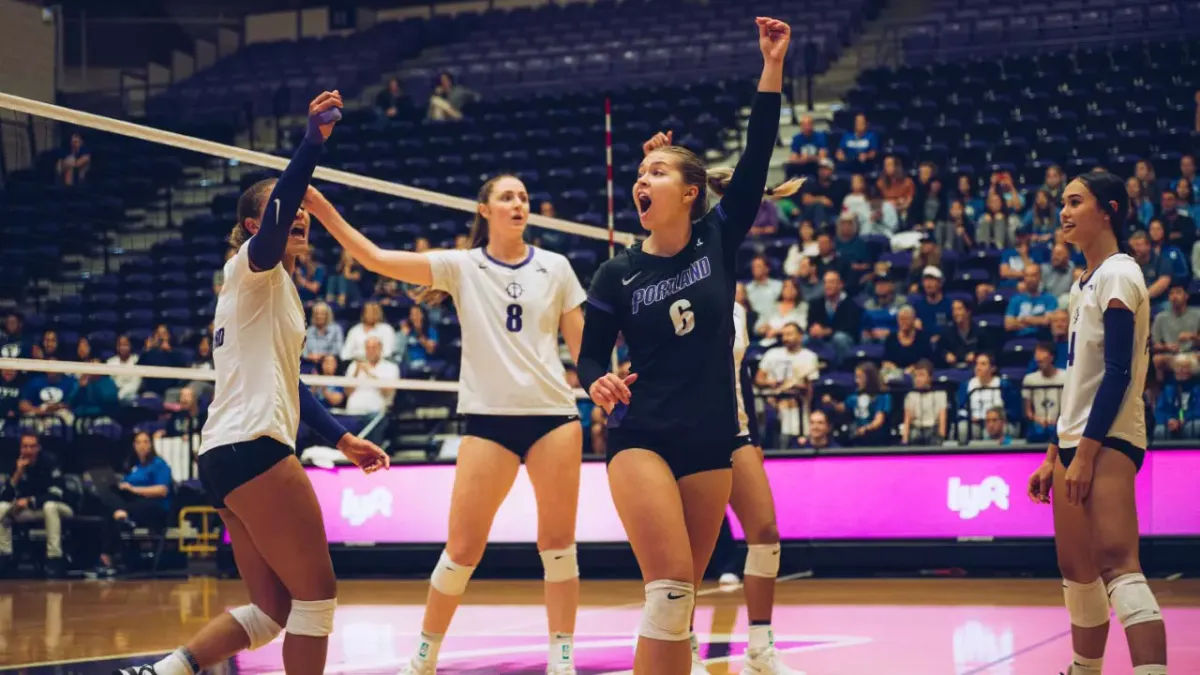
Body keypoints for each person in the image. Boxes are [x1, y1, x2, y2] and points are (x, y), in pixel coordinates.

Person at [116, 91, 389, 675]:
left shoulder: (277, 294)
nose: (299, 218)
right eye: (282, 211)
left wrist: (343, 439)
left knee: (273, 610)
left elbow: (293, 384)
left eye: (302, 214)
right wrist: (312, 144)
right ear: (252, 225)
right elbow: (285, 201)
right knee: (317, 600)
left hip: (223, 455)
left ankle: (163, 672)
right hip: (255, 447)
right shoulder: (252, 267)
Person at [575, 18, 795, 675]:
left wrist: (772, 67)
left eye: (659, 170)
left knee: (681, 600)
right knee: (669, 585)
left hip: (711, 441)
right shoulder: (616, 272)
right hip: (641, 434)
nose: (643, 178)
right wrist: (596, 381)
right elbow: (590, 356)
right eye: (640, 171)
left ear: (691, 192)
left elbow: (756, 156)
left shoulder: (717, 240)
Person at [305, 174, 588, 675]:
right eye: (507, 197)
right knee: (461, 550)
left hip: (554, 418)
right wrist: (326, 212)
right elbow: (374, 258)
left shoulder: (557, 267)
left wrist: (607, 380)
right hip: (488, 422)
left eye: (523, 197)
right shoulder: (462, 266)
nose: (518, 203)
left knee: (559, 547)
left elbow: (585, 353)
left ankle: (561, 659)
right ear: (485, 210)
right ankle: (423, 658)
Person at [1027, 170, 1167, 675]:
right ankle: (1084, 670)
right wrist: (1053, 454)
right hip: (1074, 440)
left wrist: (1084, 454)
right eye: (1062, 203)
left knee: (1116, 564)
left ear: (1108, 210)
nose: (1063, 212)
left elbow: (1117, 372)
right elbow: (1076, 381)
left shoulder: (1120, 273)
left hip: (1107, 438)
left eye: (1075, 201)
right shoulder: (1079, 284)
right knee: (1077, 571)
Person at [88, 430, 173, 579]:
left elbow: (162, 490)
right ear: (134, 446)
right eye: (138, 442)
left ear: (151, 445)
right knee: (108, 504)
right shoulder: (134, 467)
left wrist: (133, 489)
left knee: (114, 512)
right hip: (132, 503)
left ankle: (107, 559)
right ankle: (109, 553)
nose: (142, 446)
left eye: (146, 442)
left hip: (155, 505)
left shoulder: (159, 464)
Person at [0, 433, 72, 578]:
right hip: (31, 511)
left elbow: (56, 494)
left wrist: (30, 500)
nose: (28, 450)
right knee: (2, 507)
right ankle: (5, 556)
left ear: (38, 448)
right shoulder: (15, 464)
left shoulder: (50, 461)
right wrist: (18, 474)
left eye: (32, 446)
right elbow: (5, 496)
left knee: (49, 506)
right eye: (24, 446)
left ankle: (54, 559)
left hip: (62, 508)